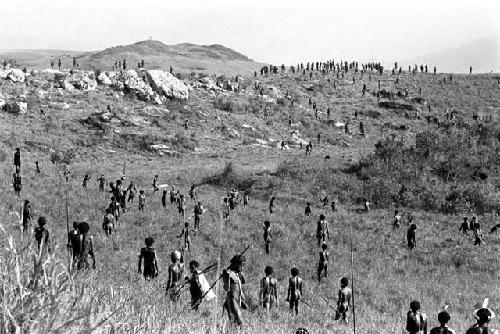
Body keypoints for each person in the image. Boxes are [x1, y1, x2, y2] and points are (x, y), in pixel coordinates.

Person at [223, 255, 248, 327]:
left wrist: (242, 296)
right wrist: (227, 276)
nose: (243, 267)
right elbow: (226, 288)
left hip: (237, 299)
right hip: (231, 299)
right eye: (242, 265)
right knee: (239, 321)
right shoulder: (228, 274)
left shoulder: (239, 274)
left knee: (235, 321)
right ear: (237, 264)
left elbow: (239, 287)